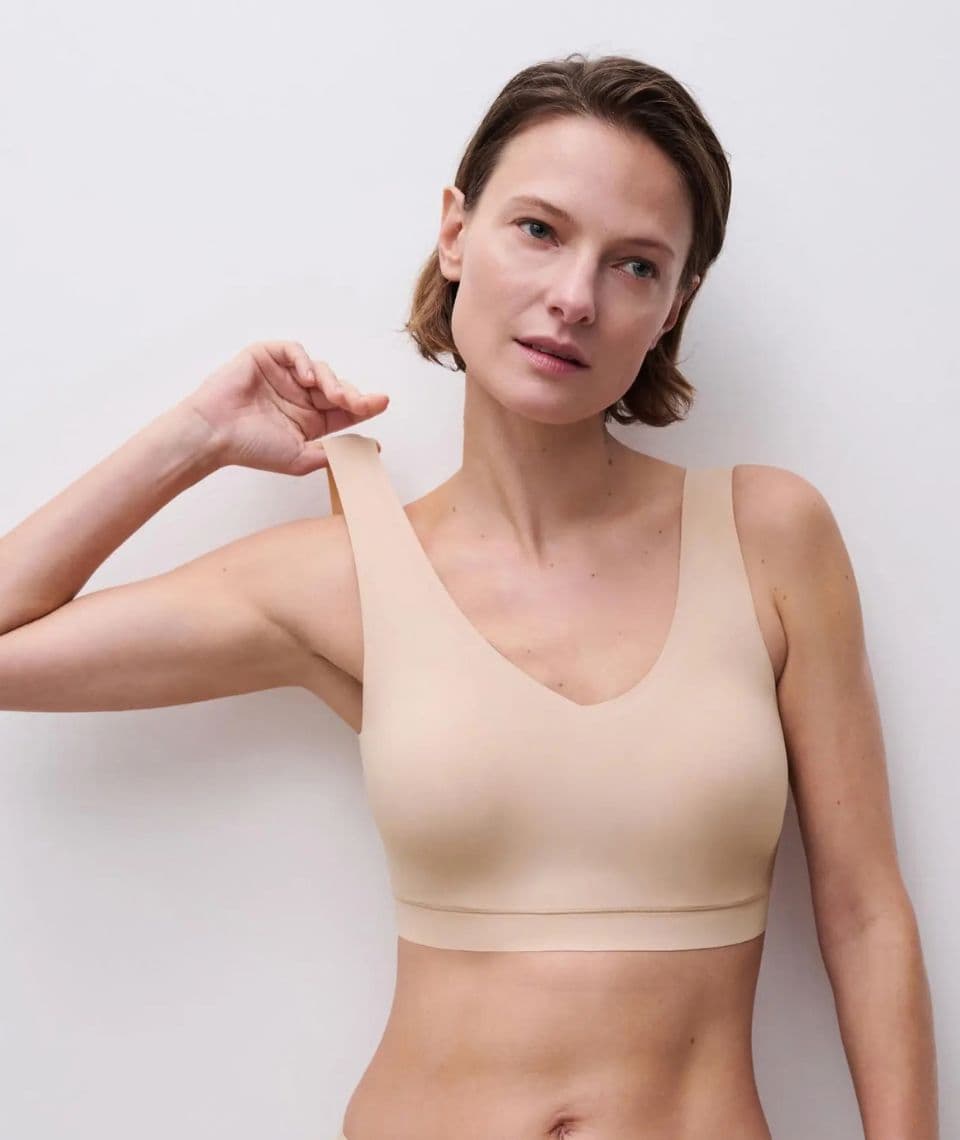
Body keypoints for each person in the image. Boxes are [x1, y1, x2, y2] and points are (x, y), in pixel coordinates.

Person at [0, 51, 938, 1140]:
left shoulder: (770, 536)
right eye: (538, 230)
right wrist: (192, 439)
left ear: (677, 302)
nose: (573, 299)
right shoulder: (353, 576)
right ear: (457, 232)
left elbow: (867, 918)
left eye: (636, 265)